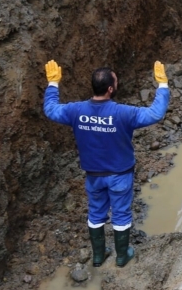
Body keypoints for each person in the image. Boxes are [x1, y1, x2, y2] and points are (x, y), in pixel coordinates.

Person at [43, 60, 170, 268]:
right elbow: (155, 113)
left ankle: (98, 256)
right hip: (120, 174)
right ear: (110, 89)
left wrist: (53, 84)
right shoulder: (124, 113)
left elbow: (50, 110)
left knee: (95, 212)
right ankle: (122, 256)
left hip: (93, 175)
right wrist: (163, 85)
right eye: (116, 82)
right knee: (120, 213)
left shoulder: (76, 111)